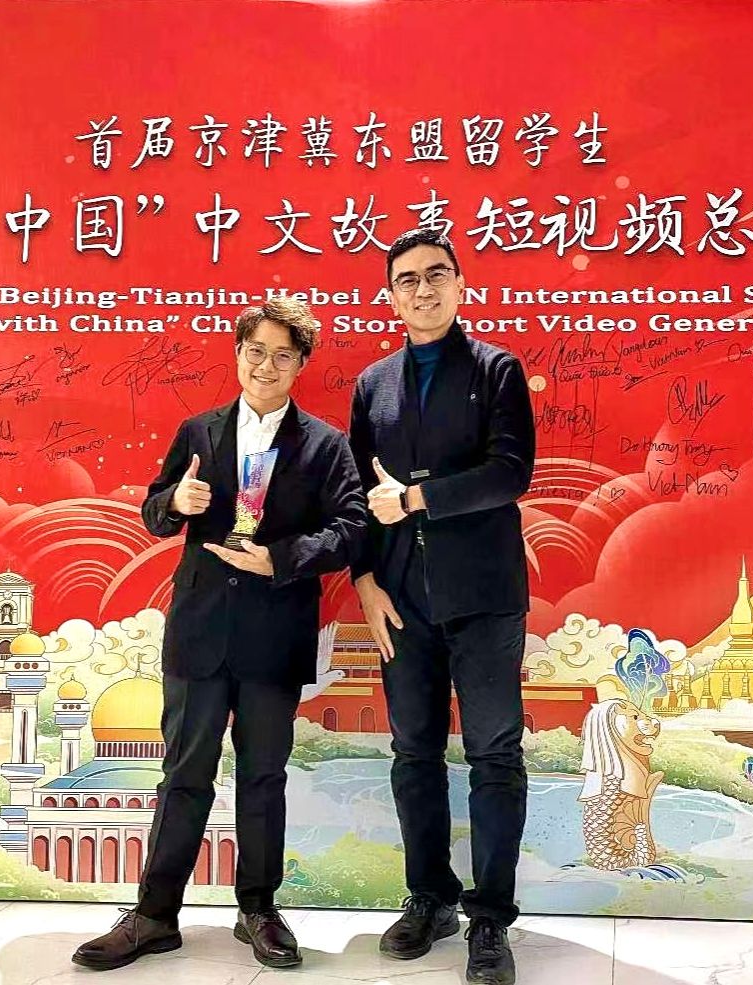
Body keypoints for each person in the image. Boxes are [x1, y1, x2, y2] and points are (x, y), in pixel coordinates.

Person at [73, 298, 367, 972]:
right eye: (256, 351)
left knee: (263, 777)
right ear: (238, 354)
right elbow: (153, 511)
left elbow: (353, 529)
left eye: (283, 355)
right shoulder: (198, 431)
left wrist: (281, 557)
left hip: (275, 635)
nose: (266, 365)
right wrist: (175, 502)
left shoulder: (325, 445)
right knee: (184, 774)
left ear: (300, 364)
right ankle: (154, 915)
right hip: (200, 631)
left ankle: (258, 909)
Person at [348, 228, 535, 985]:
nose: (422, 290)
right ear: (390, 297)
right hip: (401, 599)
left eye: (436, 275)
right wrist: (365, 580)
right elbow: (357, 495)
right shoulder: (373, 384)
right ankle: (430, 898)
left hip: (485, 595)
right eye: (407, 280)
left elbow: (511, 473)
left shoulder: (496, 369)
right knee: (414, 752)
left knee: (494, 754)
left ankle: (490, 918)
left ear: (460, 284)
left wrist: (418, 498)